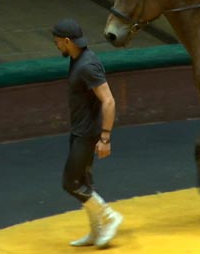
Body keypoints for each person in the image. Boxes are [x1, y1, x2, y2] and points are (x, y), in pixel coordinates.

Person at [52, 18, 123, 248]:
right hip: (79, 130)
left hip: (87, 133)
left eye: (57, 43)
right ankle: (96, 230)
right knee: (84, 182)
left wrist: (105, 138)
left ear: (67, 41)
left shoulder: (86, 65)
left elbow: (109, 101)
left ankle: (110, 217)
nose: (57, 47)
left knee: (70, 182)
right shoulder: (78, 59)